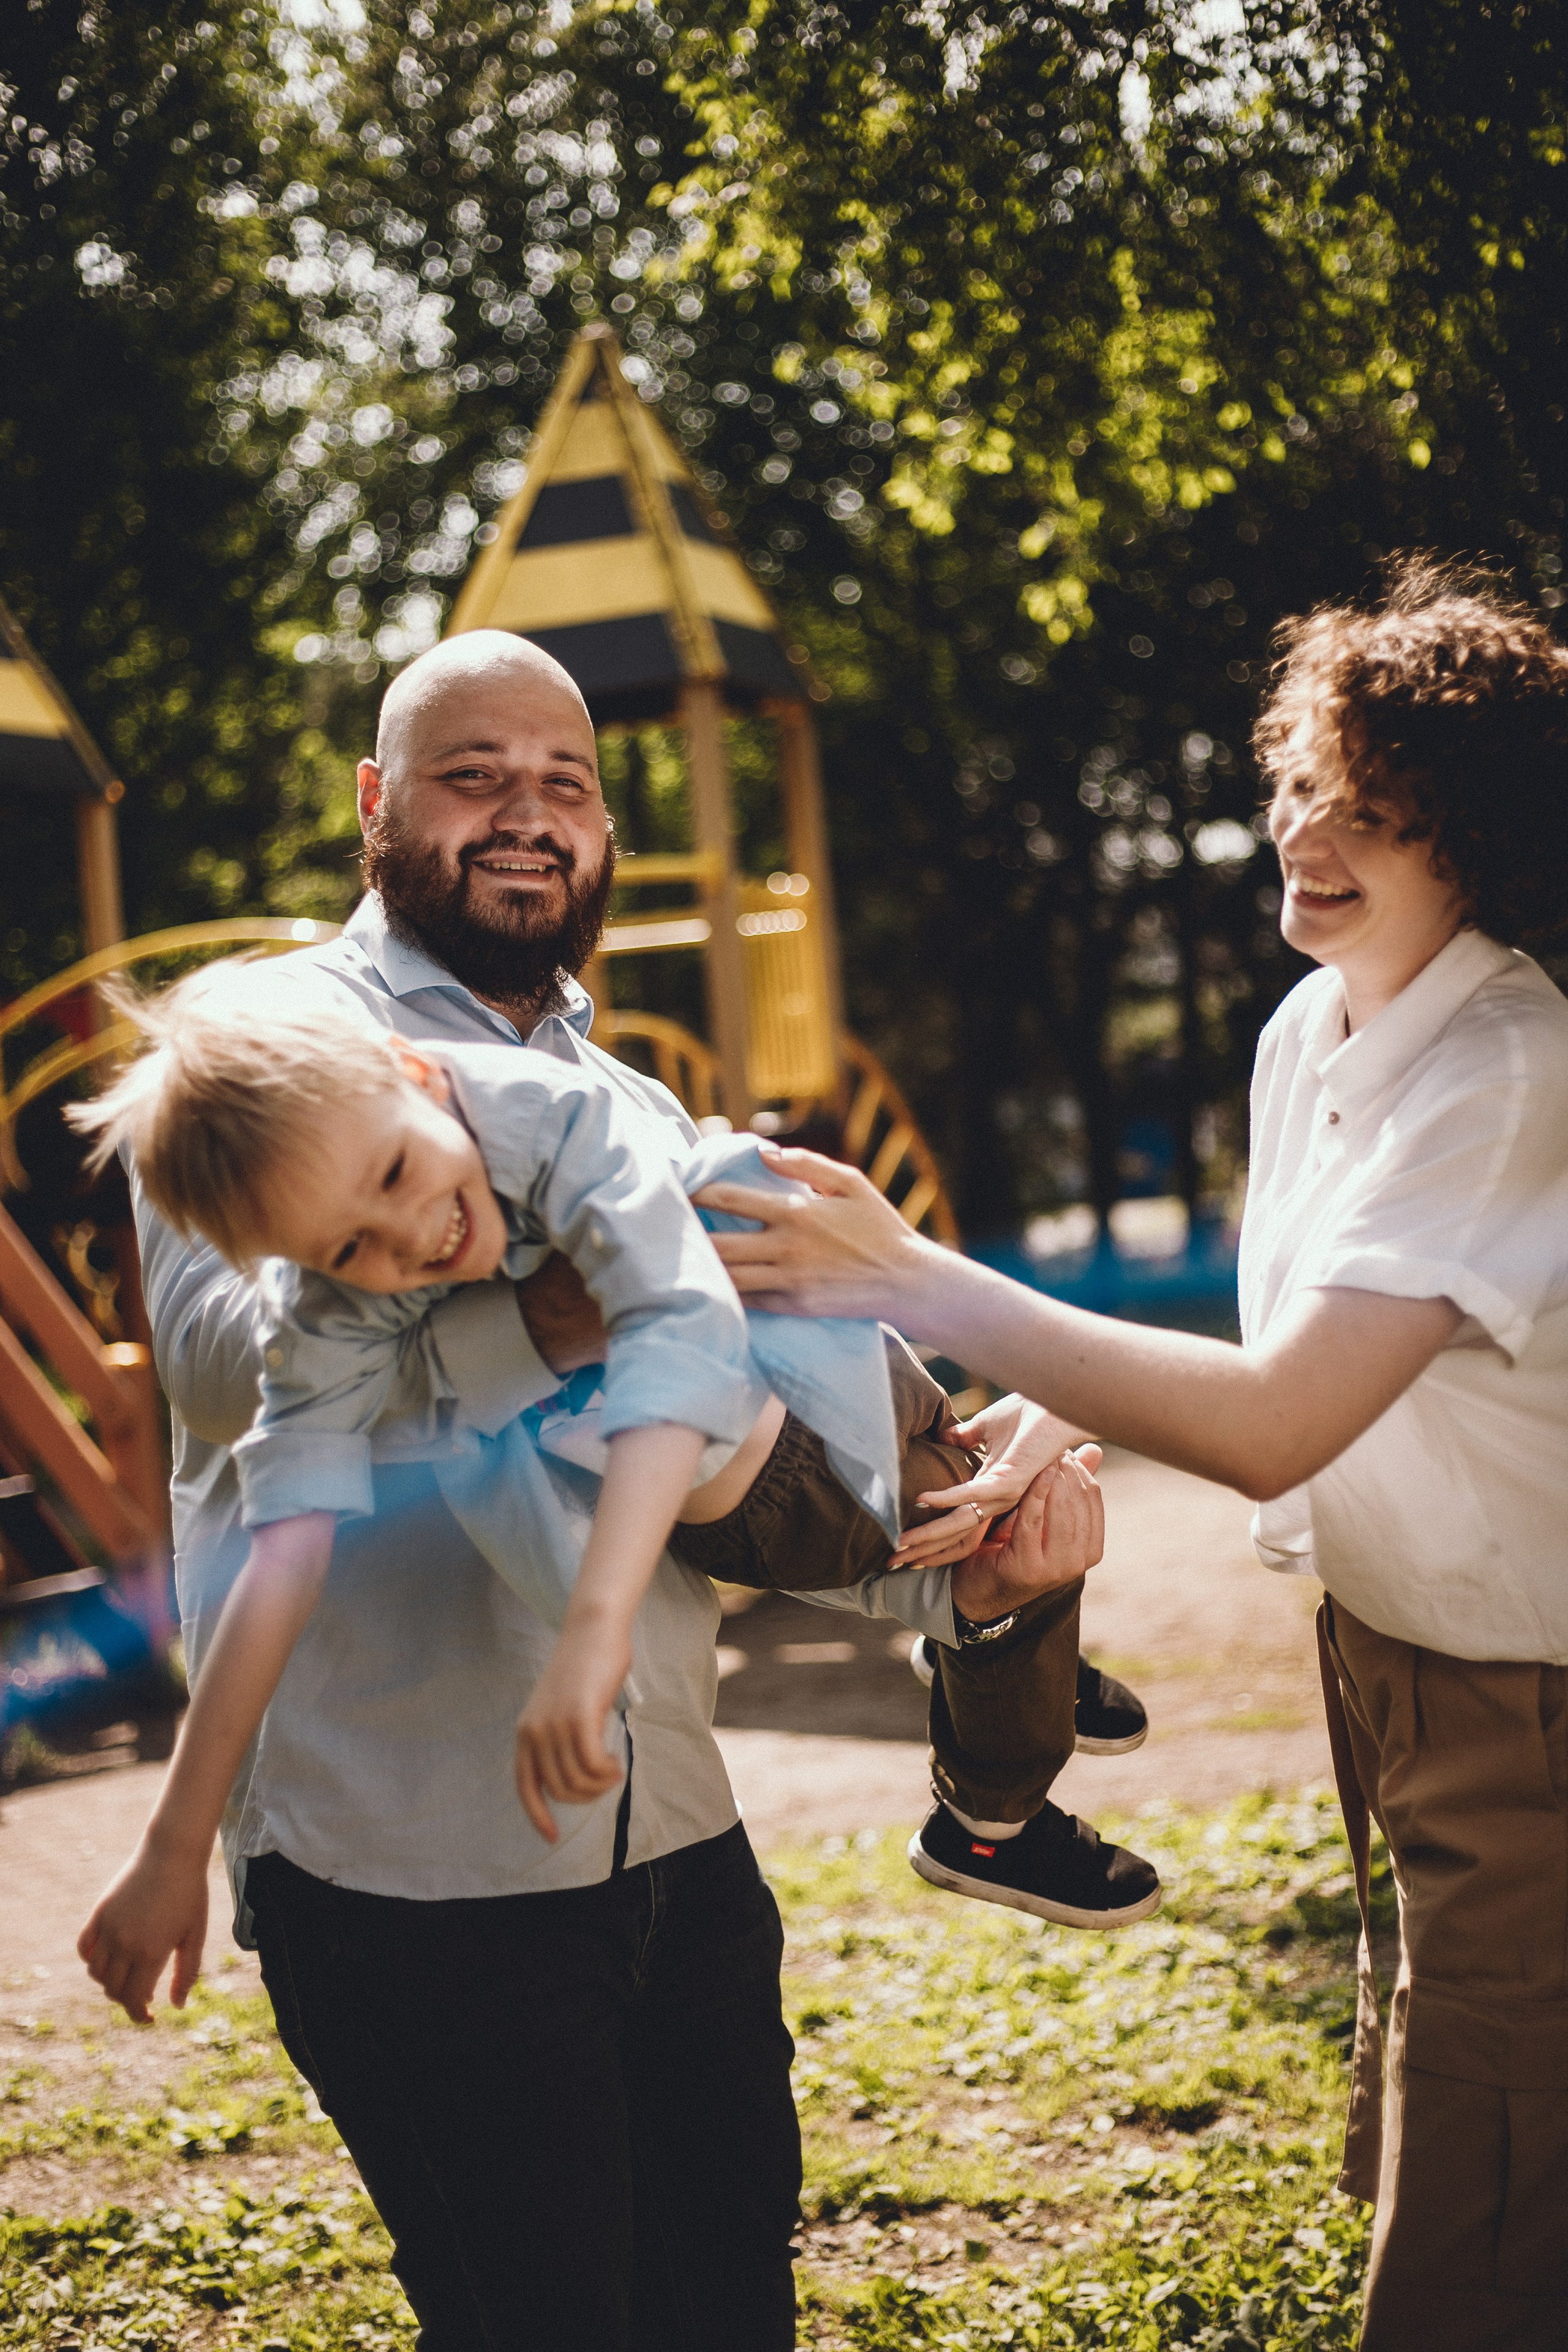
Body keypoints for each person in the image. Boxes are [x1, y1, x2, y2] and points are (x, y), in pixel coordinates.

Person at [94, 627, 1137, 2352]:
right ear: (378, 804)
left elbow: (733, 1456)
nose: (527, 818)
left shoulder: (631, 1108)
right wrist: (503, 1288)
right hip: (419, 1882)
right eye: (473, 779)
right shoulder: (264, 1059)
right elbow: (222, 1361)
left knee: (730, 2313)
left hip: (680, 1850)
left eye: (564, 787)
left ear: (603, 835)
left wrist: (958, 1574)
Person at [693, 558, 1568, 2352]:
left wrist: (913, 1276)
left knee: (1482, 2192)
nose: (1311, 843)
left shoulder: (1511, 1069)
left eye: (1378, 816)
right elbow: (1297, 1343)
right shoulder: (1307, 1029)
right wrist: (1067, 1408)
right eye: (1302, 792)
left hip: (1529, 1697)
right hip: (1389, 1649)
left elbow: (1276, 1424)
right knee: (1457, 2092)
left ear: (1474, 840)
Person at [71, 967, 1150, 2007]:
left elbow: (673, 1354)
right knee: (986, 1521)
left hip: (822, 1375)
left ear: (417, 1072)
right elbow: (285, 1552)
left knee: (970, 1454)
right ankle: (995, 1788)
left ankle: (1011, 1717)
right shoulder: (334, 1300)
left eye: (397, 1174)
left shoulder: (557, 1117)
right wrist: (173, 1843)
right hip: (778, 1481)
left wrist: (595, 1634)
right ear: (301, 1265)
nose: (415, 1240)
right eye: (352, 1246)